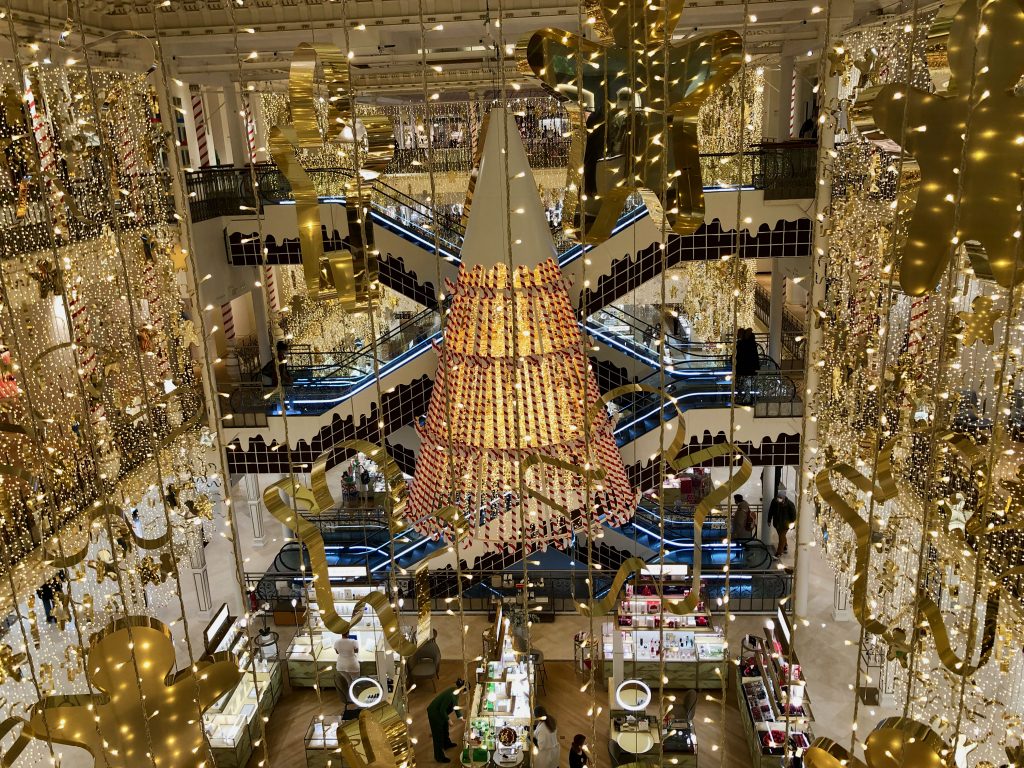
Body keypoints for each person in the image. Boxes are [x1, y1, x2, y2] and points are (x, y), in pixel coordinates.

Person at [427, 678, 465, 763]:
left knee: (445, 728)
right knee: (438, 736)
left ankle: (446, 744)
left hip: (441, 713)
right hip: (435, 713)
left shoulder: (455, 691)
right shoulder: (452, 695)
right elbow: (442, 710)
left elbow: (455, 706)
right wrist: (449, 720)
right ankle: (439, 757)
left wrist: (461, 718)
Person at [767, 489, 797, 557]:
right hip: (777, 523)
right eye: (778, 497)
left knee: (781, 537)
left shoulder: (790, 504)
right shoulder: (774, 501)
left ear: (784, 497)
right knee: (781, 536)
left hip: (785, 524)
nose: (778, 499)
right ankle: (785, 545)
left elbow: (793, 515)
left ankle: (778, 553)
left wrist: (792, 524)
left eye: (780, 497)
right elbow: (771, 511)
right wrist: (769, 520)